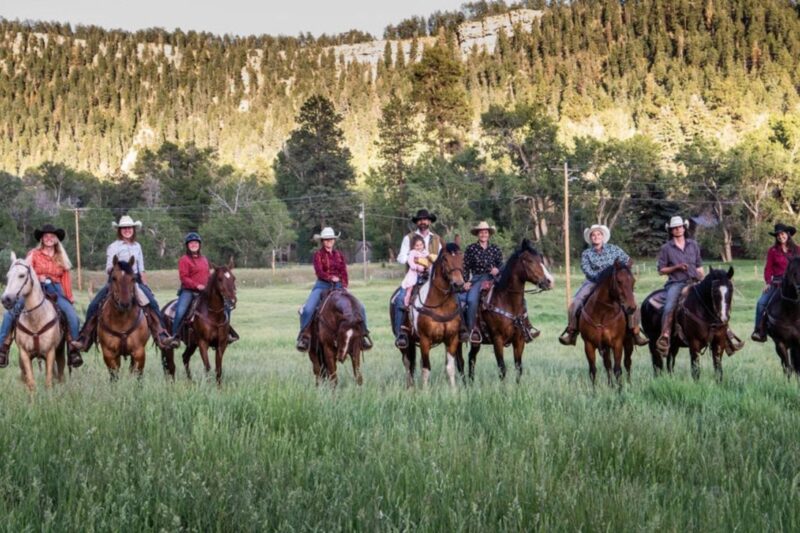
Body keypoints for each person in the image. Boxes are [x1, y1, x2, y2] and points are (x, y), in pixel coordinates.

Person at [70, 215, 177, 351]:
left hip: (134, 281)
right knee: (94, 305)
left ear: (133, 229)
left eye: (129, 228)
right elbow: (109, 267)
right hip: (117, 281)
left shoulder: (138, 246)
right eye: (124, 228)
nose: (127, 230)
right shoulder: (113, 247)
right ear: (120, 230)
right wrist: (119, 269)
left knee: (153, 304)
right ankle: (84, 339)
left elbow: (141, 268)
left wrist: (145, 285)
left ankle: (161, 335)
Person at [655, 216, 743, 355]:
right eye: (674, 228)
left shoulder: (693, 245)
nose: (678, 230)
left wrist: (702, 278)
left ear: (684, 228)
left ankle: (726, 337)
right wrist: (677, 267)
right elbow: (661, 270)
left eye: (680, 227)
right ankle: (665, 335)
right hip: (676, 283)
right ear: (671, 231)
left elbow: (699, 267)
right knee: (669, 305)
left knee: (716, 302)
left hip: (695, 281)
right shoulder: (666, 248)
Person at [0, 224, 83, 368]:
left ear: (56, 239)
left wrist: (69, 297)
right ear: (42, 239)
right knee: (10, 314)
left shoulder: (61, 257)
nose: (49, 238)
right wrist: (40, 277)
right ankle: (3, 348)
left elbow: (65, 278)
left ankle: (73, 350)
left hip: (56, 290)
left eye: (52, 236)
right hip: (34, 289)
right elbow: (25, 272)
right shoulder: (34, 254)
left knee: (72, 316)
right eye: (46, 236)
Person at [558, 224, 648, 347]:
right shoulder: (586, 253)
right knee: (575, 302)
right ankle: (572, 332)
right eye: (593, 235)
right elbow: (586, 269)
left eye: (598, 234)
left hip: (615, 282)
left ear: (603, 236)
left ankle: (635, 332)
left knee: (633, 302)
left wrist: (623, 271)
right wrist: (600, 277)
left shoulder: (614, 249)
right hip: (593, 282)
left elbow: (627, 260)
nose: (596, 237)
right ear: (590, 238)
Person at [295, 227, 372, 352]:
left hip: (339, 287)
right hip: (322, 285)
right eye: (326, 239)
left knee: (360, 306)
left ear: (334, 240)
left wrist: (344, 284)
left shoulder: (339, 255)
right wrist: (331, 278)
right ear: (322, 241)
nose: (328, 241)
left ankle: (363, 335)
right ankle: (304, 336)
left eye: (330, 239)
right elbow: (319, 272)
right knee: (308, 309)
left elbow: (344, 271)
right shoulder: (318, 255)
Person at [172, 232, 239, 343]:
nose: (194, 245)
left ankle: (226, 332)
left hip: (204, 291)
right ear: (187, 245)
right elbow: (184, 277)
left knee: (225, 306)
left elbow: (208, 275)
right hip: (189, 291)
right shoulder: (184, 260)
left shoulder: (204, 259)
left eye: (196, 243)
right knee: (181, 310)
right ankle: (175, 336)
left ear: (199, 245)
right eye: (191, 243)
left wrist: (209, 286)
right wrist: (197, 285)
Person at [393, 209, 443, 348]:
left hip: (433, 280)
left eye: (425, 219)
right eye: (420, 220)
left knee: (453, 297)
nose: (423, 222)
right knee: (399, 299)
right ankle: (401, 333)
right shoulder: (408, 238)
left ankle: (457, 329)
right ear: (417, 222)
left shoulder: (436, 239)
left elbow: (441, 260)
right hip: (414, 278)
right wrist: (413, 257)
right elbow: (401, 258)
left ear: (429, 221)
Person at [751, 223, 800, 342]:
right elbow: (768, 268)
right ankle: (759, 330)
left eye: (782, 234)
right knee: (761, 303)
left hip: (795, 283)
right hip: (777, 283)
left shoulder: (797, 249)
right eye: (778, 235)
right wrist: (768, 282)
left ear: (788, 235)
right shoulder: (772, 251)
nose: (780, 236)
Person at [461, 221, 503, 344]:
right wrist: (466, 281)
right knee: (471, 300)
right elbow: (465, 267)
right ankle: (471, 329)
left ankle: (522, 328)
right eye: (481, 232)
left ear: (489, 234)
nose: (483, 234)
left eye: (485, 232)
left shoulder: (495, 248)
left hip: (493, 278)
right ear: (477, 234)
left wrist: (497, 270)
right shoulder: (471, 249)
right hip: (477, 278)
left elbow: (501, 265)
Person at [401, 235, 430, 307]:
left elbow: (429, 262)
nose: (419, 247)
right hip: (414, 274)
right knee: (410, 287)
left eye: (421, 245)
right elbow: (410, 262)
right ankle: (407, 302)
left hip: (424, 274)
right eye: (417, 245)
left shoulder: (426, 253)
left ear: (423, 245)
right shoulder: (413, 253)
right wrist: (417, 267)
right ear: (413, 246)